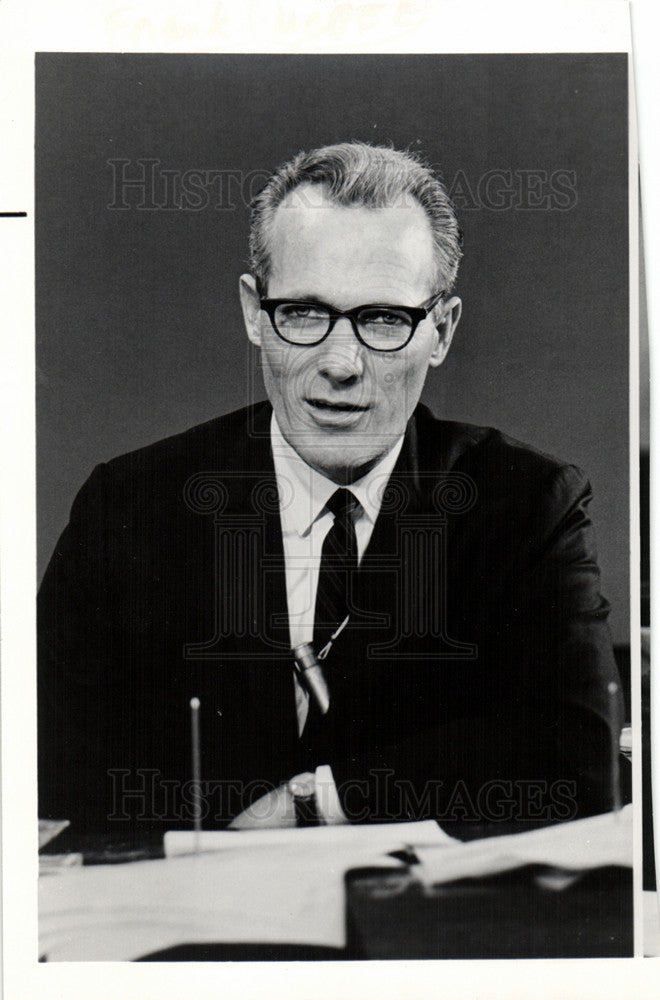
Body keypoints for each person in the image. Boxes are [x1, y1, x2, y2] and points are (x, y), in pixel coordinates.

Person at [38, 142, 624, 842]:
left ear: (441, 329)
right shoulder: (129, 504)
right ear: (255, 314)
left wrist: (319, 799)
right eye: (304, 314)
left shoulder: (527, 504)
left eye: (383, 319)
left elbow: (580, 754)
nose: (340, 364)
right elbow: (40, 764)